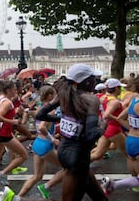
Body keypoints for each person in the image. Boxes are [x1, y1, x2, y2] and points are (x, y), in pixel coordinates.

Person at [36, 63, 108, 201]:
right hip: (79, 157)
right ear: (87, 82)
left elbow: (41, 115)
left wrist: (62, 118)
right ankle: (15, 199)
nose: (96, 80)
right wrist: (103, 126)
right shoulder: (91, 100)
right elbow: (90, 136)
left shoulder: (63, 95)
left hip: (64, 150)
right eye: (94, 78)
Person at [0, 80, 28, 185]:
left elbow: (3, 116)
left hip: (2, 131)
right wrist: (13, 121)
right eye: (14, 88)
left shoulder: (6, 100)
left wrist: (16, 113)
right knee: (23, 156)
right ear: (8, 90)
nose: (16, 90)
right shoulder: (7, 102)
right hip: (5, 133)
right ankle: (3, 173)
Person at [102, 76, 139, 195]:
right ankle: (113, 185)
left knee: (136, 175)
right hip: (137, 142)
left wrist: (132, 127)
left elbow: (120, 117)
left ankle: (115, 185)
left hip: (131, 140)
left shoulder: (134, 100)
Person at [91, 78, 127, 162]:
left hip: (108, 128)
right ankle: (136, 174)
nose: (121, 90)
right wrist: (119, 119)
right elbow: (106, 115)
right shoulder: (114, 101)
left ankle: (77, 165)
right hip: (114, 129)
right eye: (120, 88)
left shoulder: (104, 97)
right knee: (130, 155)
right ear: (116, 88)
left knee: (97, 154)